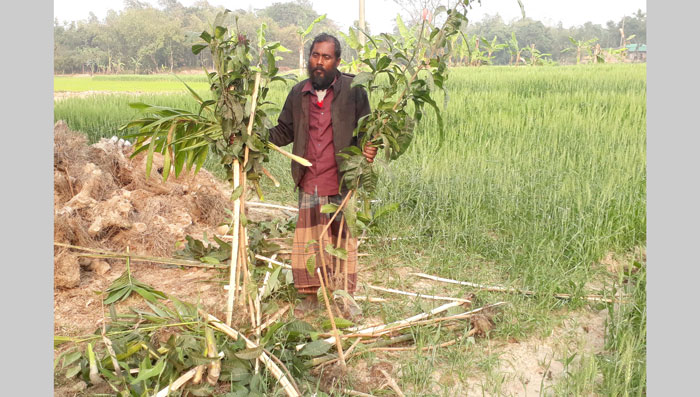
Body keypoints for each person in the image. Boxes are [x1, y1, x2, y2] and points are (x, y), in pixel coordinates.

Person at [267, 33, 377, 317]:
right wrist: (252, 138)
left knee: (341, 241)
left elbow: (368, 131)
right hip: (309, 179)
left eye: (326, 57)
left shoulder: (354, 90)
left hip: (340, 179)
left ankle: (343, 298)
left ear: (337, 61)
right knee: (309, 239)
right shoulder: (298, 93)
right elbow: (284, 131)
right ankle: (310, 297)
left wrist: (369, 148)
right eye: (315, 55)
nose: (319, 62)